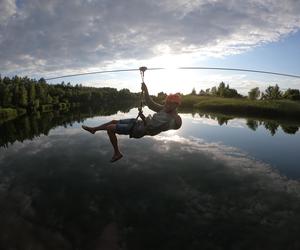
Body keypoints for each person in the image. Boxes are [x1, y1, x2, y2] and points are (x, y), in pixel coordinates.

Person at [82, 82, 182, 162]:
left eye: (170, 104)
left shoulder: (171, 120)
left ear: (176, 105)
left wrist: (144, 119)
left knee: (110, 128)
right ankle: (94, 129)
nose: (167, 105)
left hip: (139, 130)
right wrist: (146, 90)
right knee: (113, 121)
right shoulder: (163, 109)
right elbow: (150, 104)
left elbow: (152, 131)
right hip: (139, 123)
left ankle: (117, 153)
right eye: (167, 103)